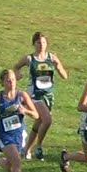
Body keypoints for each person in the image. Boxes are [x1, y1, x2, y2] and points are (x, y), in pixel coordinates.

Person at [14, 33, 67, 161]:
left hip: (48, 94)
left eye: (43, 43)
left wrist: (59, 68)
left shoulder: (51, 57)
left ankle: (26, 150)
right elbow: (16, 67)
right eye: (38, 43)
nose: (41, 45)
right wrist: (18, 75)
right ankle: (39, 147)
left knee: (39, 122)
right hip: (34, 95)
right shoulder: (29, 59)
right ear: (34, 44)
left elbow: (64, 74)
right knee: (47, 120)